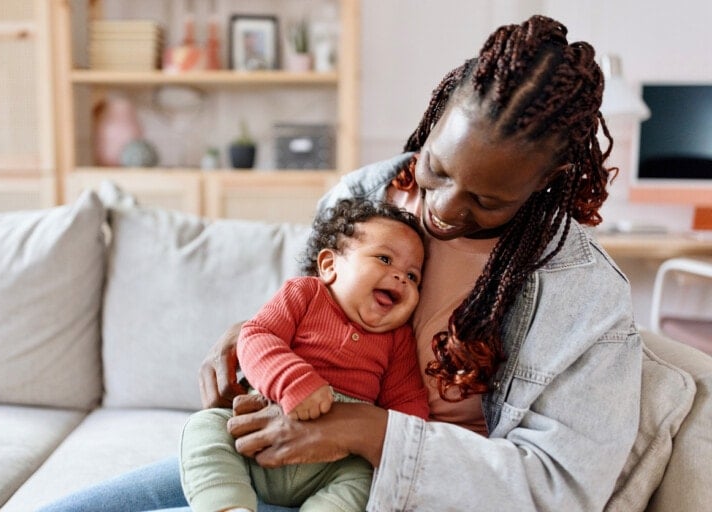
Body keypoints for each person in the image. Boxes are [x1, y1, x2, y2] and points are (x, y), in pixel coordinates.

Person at [39, 14, 642, 512]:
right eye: (438, 167)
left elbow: (564, 489)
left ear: (547, 182)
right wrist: (248, 340)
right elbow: (307, 309)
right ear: (435, 118)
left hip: (383, 492)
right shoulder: (366, 195)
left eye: (487, 200)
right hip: (279, 449)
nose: (445, 208)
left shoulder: (584, 296)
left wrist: (367, 430)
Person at [179, 198, 429, 512]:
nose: (400, 278)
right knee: (206, 426)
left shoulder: (399, 339)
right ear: (329, 266)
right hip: (261, 431)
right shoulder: (304, 294)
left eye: (413, 276)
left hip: (336, 461)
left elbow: (408, 405)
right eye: (384, 259)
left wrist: (402, 445)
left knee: (368, 478)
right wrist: (293, 381)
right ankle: (228, 504)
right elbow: (258, 336)